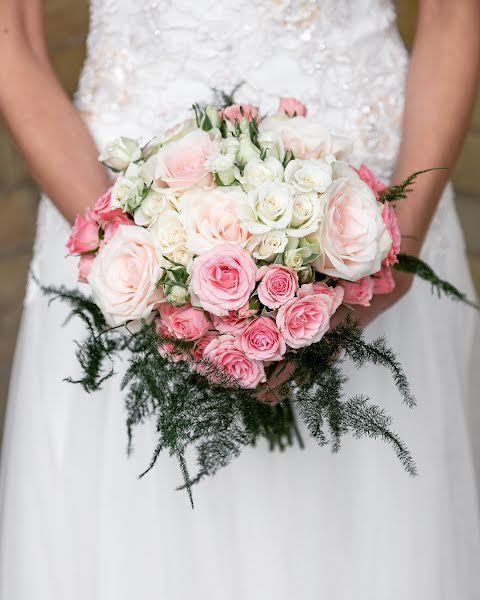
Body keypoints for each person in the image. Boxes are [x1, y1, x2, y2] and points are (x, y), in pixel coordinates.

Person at [0, 1, 479, 598]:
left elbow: (453, 13)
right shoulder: (121, 242)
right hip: (105, 202)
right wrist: (132, 251)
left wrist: (396, 253)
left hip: (375, 221)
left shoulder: (389, 249)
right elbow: (10, 34)